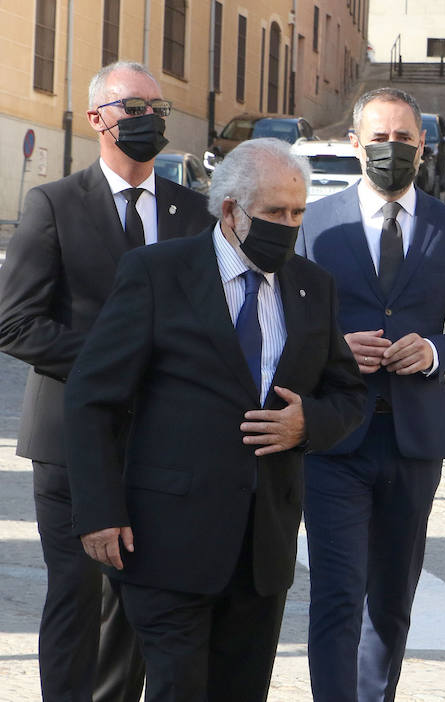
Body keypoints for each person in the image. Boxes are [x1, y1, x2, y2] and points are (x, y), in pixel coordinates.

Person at [62, 137, 366, 702]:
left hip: (261, 551)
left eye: (298, 212)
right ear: (230, 209)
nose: (290, 224)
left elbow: (348, 393)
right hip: (164, 541)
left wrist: (309, 426)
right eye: (275, 212)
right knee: (179, 690)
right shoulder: (158, 273)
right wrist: (99, 512)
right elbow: (91, 399)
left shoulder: (311, 287)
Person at [0, 60, 217, 702]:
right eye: (134, 108)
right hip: (69, 440)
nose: (148, 119)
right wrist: (116, 360)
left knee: (133, 606)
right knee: (75, 596)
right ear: (99, 118)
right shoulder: (54, 204)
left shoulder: (195, 214)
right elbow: (15, 325)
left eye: (157, 108)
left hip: (160, 448)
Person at [296, 87, 445, 702]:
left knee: (392, 596)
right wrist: (333, 347)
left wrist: (435, 352)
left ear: (423, 144)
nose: (391, 149)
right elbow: (286, 323)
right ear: (354, 144)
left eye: (403, 138)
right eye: (378, 138)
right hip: (333, 439)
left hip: (415, 440)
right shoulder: (314, 225)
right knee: (336, 592)